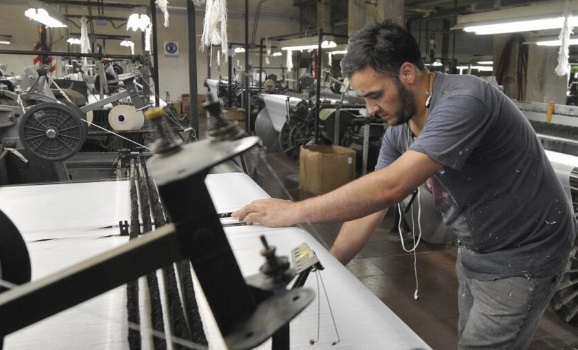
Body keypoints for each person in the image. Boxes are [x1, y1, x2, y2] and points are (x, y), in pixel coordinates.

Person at [233, 20, 577, 349]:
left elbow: (391, 187)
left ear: (407, 73)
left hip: (526, 250)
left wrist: (294, 211)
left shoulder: (465, 101)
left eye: (376, 95)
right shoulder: (400, 130)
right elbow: (372, 203)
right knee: (471, 337)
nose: (370, 109)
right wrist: (329, 269)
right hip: (479, 246)